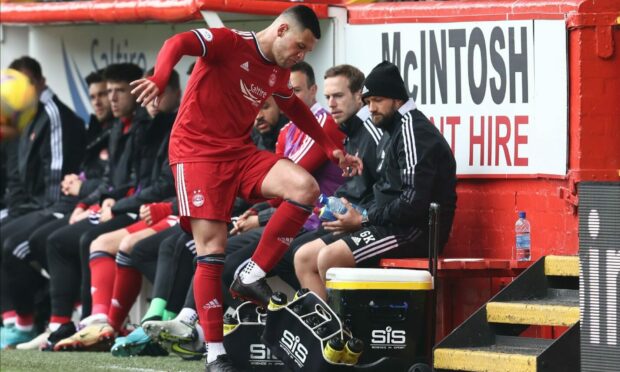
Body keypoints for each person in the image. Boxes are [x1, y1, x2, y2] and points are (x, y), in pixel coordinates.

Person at [130, 5, 361, 370]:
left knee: (304, 188)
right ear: (282, 30)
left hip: (239, 152)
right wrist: (160, 78)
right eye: (300, 47)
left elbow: (295, 108)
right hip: (197, 154)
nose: (300, 56)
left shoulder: (278, 71)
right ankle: (215, 352)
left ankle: (251, 274)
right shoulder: (229, 42)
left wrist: (330, 147)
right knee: (213, 249)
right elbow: (177, 42)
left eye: (307, 53)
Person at [294, 61, 457, 300]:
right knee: (304, 257)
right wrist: (357, 212)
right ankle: (327, 332)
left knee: (330, 257)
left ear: (397, 99)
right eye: (368, 102)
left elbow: (413, 202)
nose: (371, 108)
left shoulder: (414, 131)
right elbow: (384, 190)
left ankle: (347, 334)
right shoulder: (392, 129)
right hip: (387, 223)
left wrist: (363, 218)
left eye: (378, 100)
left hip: (414, 231)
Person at [0, 56, 86, 349]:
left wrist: (48, 213)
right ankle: (11, 319)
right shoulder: (21, 115)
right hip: (29, 207)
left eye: (23, 85)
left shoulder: (53, 114)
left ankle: (24, 323)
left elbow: (57, 177)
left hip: (56, 208)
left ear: (38, 83)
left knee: (12, 243)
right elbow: (16, 173)